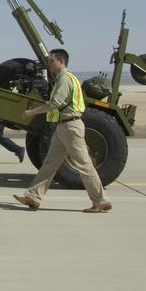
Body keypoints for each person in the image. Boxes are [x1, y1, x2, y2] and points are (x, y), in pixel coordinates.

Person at [14, 50, 112, 213]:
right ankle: (33, 196)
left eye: (51, 61)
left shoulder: (64, 79)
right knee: (50, 163)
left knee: (84, 165)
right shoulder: (68, 78)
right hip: (63, 127)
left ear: (61, 61)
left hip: (70, 127)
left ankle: (100, 200)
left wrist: (31, 112)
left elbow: (55, 103)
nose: (49, 64)